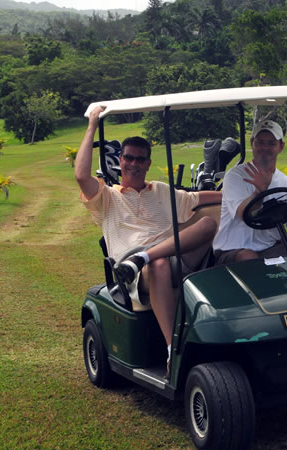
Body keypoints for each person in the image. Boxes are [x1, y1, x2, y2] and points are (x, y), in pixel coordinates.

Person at [75, 105, 217, 378]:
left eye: (141, 160)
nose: (135, 164)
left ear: (148, 164)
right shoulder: (107, 197)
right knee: (159, 264)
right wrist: (92, 125)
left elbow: (202, 199)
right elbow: (81, 176)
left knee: (209, 224)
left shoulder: (162, 191)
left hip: (176, 259)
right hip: (134, 271)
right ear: (120, 159)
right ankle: (172, 351)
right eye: (129, 158)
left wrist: (244, 195)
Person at [213, 119, 287, 264]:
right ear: (252, 143)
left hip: (270, 247)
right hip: (233, 249)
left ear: (281, 146)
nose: (265, 148)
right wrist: (259, 192)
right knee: (249, 257)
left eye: (271, 143)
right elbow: (244, 214)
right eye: (260, 142)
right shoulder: (235, 176)